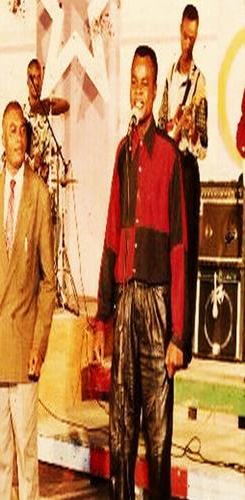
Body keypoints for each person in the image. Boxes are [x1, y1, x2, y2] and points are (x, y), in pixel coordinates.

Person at [94, 46, 189, 499]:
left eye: (145, 82)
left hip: (155, 307)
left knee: (158, 431)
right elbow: (112, 234)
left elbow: (179, 249)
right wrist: (103, 316)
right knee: (121, 428)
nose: (138, 89)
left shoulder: (169, 156)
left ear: (155, 92)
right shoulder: (122, 154)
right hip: (126, 301)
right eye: (133, 81)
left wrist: (178, 336)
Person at [0, 101, 56, 500]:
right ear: (1, 140)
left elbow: (49, 282)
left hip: (25, 350)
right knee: (0, 456)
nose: (18, 137)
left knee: (26, 453)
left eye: (22, 129)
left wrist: (39, 345)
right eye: (10, 130)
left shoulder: (39, 193)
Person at [158, 4, 207, 363]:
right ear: (179, 31)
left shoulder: (200, 82)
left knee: (186, 255)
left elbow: (203, 145)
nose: (188, 42)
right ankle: (166, 333)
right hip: (168, 168)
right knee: (167, 251)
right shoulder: (168, 77)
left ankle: (183, 342)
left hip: (187, 170)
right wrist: (171, 127)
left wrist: (191, 131)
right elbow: (161, 124)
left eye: (194, 37)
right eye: (185, 35)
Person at [24, 58, 68, 187]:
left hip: (46, 186)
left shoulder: (48, 115)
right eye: (33, 77)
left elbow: (53, 153)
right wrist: (33, 163)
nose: (36, 82)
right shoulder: (22, 114)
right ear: (27, 81)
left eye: (39, 77)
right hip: (28, 186)